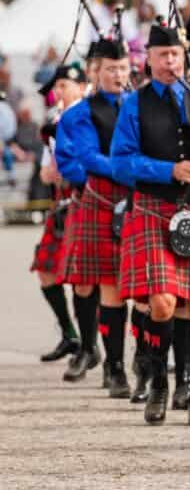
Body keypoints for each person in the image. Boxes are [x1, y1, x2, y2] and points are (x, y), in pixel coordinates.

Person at [111, 24, 190, 427]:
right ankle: (158, 381)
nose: (170, 61)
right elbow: (120, 162)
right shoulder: (134, 103)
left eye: (175, 54)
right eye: (162, 55)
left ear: (184, 57)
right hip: (155, 206)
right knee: (162, 302)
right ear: (150, 59)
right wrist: (170, 169)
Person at [56, 40, 133, 395]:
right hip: (99, 199)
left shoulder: (138, 106)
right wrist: (132, 168)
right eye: (110, 69)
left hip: (138, 198)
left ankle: (142, 361)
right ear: (94, 72)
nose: (118, 75)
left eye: (122, 67)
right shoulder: (77, 114)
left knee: (141, 291)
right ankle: (108, 363)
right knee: (100, 284)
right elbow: (85, 157)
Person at [32, 65, 88, 366]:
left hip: (84, 199)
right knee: (46, 270)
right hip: (60, 202)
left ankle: (92, 344)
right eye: (59, 86)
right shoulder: (53, 121)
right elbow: (44, 172)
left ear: (82, 87)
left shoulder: (89, 117)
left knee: (84, 279)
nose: (60, 91)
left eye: (66, 84)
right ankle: (70, 334)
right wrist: (53, 172)